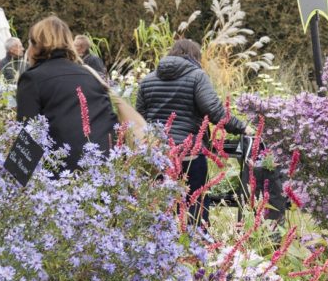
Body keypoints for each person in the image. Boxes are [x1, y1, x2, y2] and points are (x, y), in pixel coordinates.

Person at [136, 38, 248, 225]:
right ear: (195, 56)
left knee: (158, 207)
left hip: (156, 154)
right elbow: (214, 110)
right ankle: (194, 249)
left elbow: (139, 119)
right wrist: (242, 126)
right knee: (193, 208)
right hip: (189, 155)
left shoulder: (147, 80)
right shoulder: (197, 76)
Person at [16, 16, 118, 171]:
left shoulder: (32, 79)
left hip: (62, 178)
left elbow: (28, 140)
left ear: (35, 46)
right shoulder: (91, 76)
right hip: (104, 173)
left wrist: (13, 183)